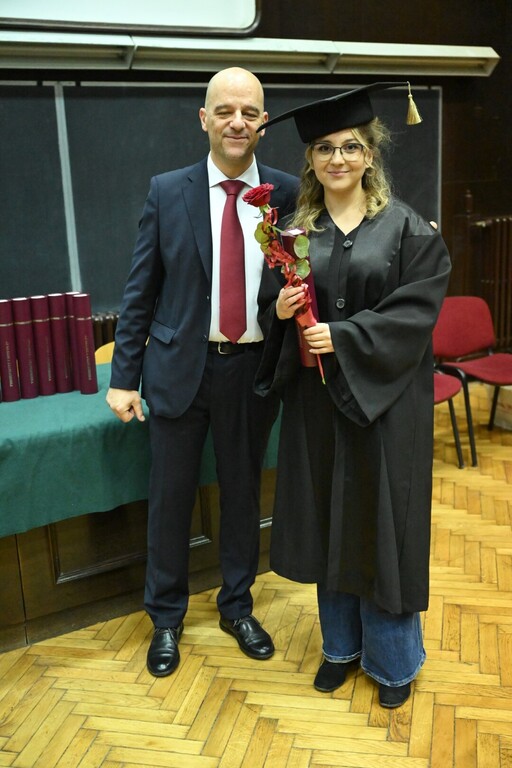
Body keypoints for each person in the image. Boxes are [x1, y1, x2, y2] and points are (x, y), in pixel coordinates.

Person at [253, 82, 452, 708]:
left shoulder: (407, 229)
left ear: (370, 154)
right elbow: (271, 311)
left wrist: (343, 336)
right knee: (328, 521)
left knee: (383, 525)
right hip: (317, 405)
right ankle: (339, 648)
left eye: (350, 147)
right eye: (324, 148)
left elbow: (415, 314)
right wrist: (281, 309)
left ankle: (393, 663)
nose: (337, 158)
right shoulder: (294, 233)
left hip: (385, 404)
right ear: (310, 160)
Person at [106, 67, 298, 677]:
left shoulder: (289, 192)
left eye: (249, 112)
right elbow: (140, 291)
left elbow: (300, 280)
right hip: (178, 371)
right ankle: (165, 618)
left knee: (242, 495)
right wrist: (123, 377)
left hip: (252, 373)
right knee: (170, 501)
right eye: (225, 111)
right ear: (204, 119)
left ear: (263, 122)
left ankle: (237, 606)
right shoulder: (168, 191)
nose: (237, 122)